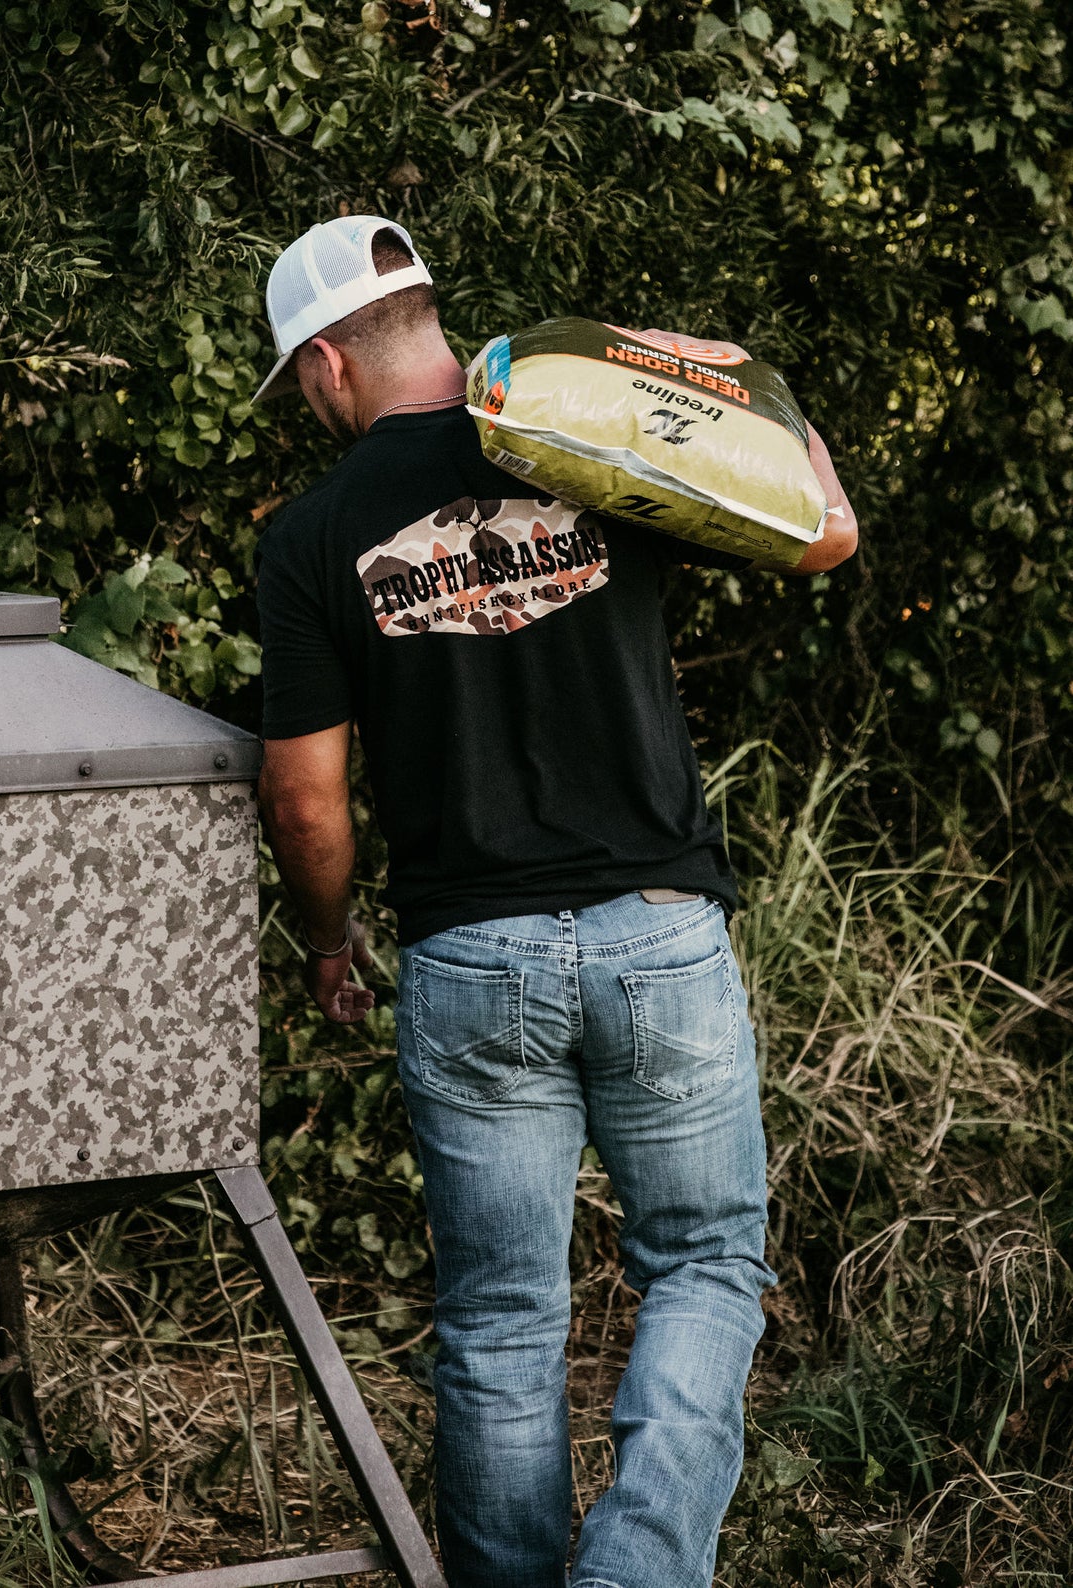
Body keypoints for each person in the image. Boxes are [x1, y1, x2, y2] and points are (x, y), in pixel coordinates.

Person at [250, 215, 857, 1588]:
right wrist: (746, 392)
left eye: (298, 376)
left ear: (331, 364)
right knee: (704, 1267)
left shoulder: (310, 535)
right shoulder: (594, 442)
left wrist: (329, 939)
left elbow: (304, 802)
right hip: (657, 932)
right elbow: (826, 538)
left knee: (501, 1324)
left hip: (469, 955)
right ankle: (639, 1572)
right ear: (432, 322)